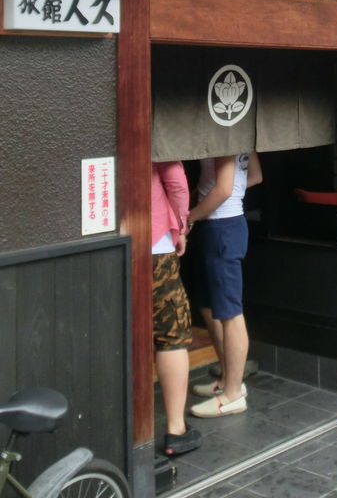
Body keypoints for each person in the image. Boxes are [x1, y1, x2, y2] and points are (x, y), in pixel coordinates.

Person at [187, 151, 262, 418]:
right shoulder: (241, 134)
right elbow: (255, 176)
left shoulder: (225, 134)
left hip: (222, 225)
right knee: (208, 306)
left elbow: (223, 189)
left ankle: (232, 394)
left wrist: (190, 216)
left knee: (230, 311)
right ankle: (228, 380)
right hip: (221, 225)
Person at [151, 160, 200, 456]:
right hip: (155, 245)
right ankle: (175, 429)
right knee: (172, 335)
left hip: (107, 241)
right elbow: (177, 182)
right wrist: (180, 227)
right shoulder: (153, 124)